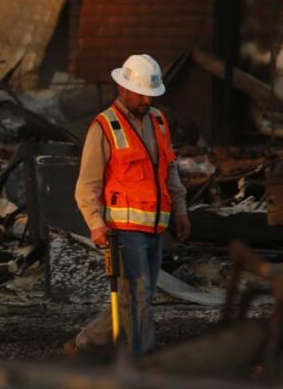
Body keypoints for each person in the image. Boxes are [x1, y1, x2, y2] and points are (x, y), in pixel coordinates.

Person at [65, 54, 191, 357]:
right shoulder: (104, 127)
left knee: (131, 298)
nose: (147, 100)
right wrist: (96, 224)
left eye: (151, 94)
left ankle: (88, 342)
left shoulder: (158, 121)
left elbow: (169, 169)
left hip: (155, 227)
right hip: (123, 231)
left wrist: (180, 209)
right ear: (123, 89)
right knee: (138, 295)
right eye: (142, 94)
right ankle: (141, 359)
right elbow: (87, 184)